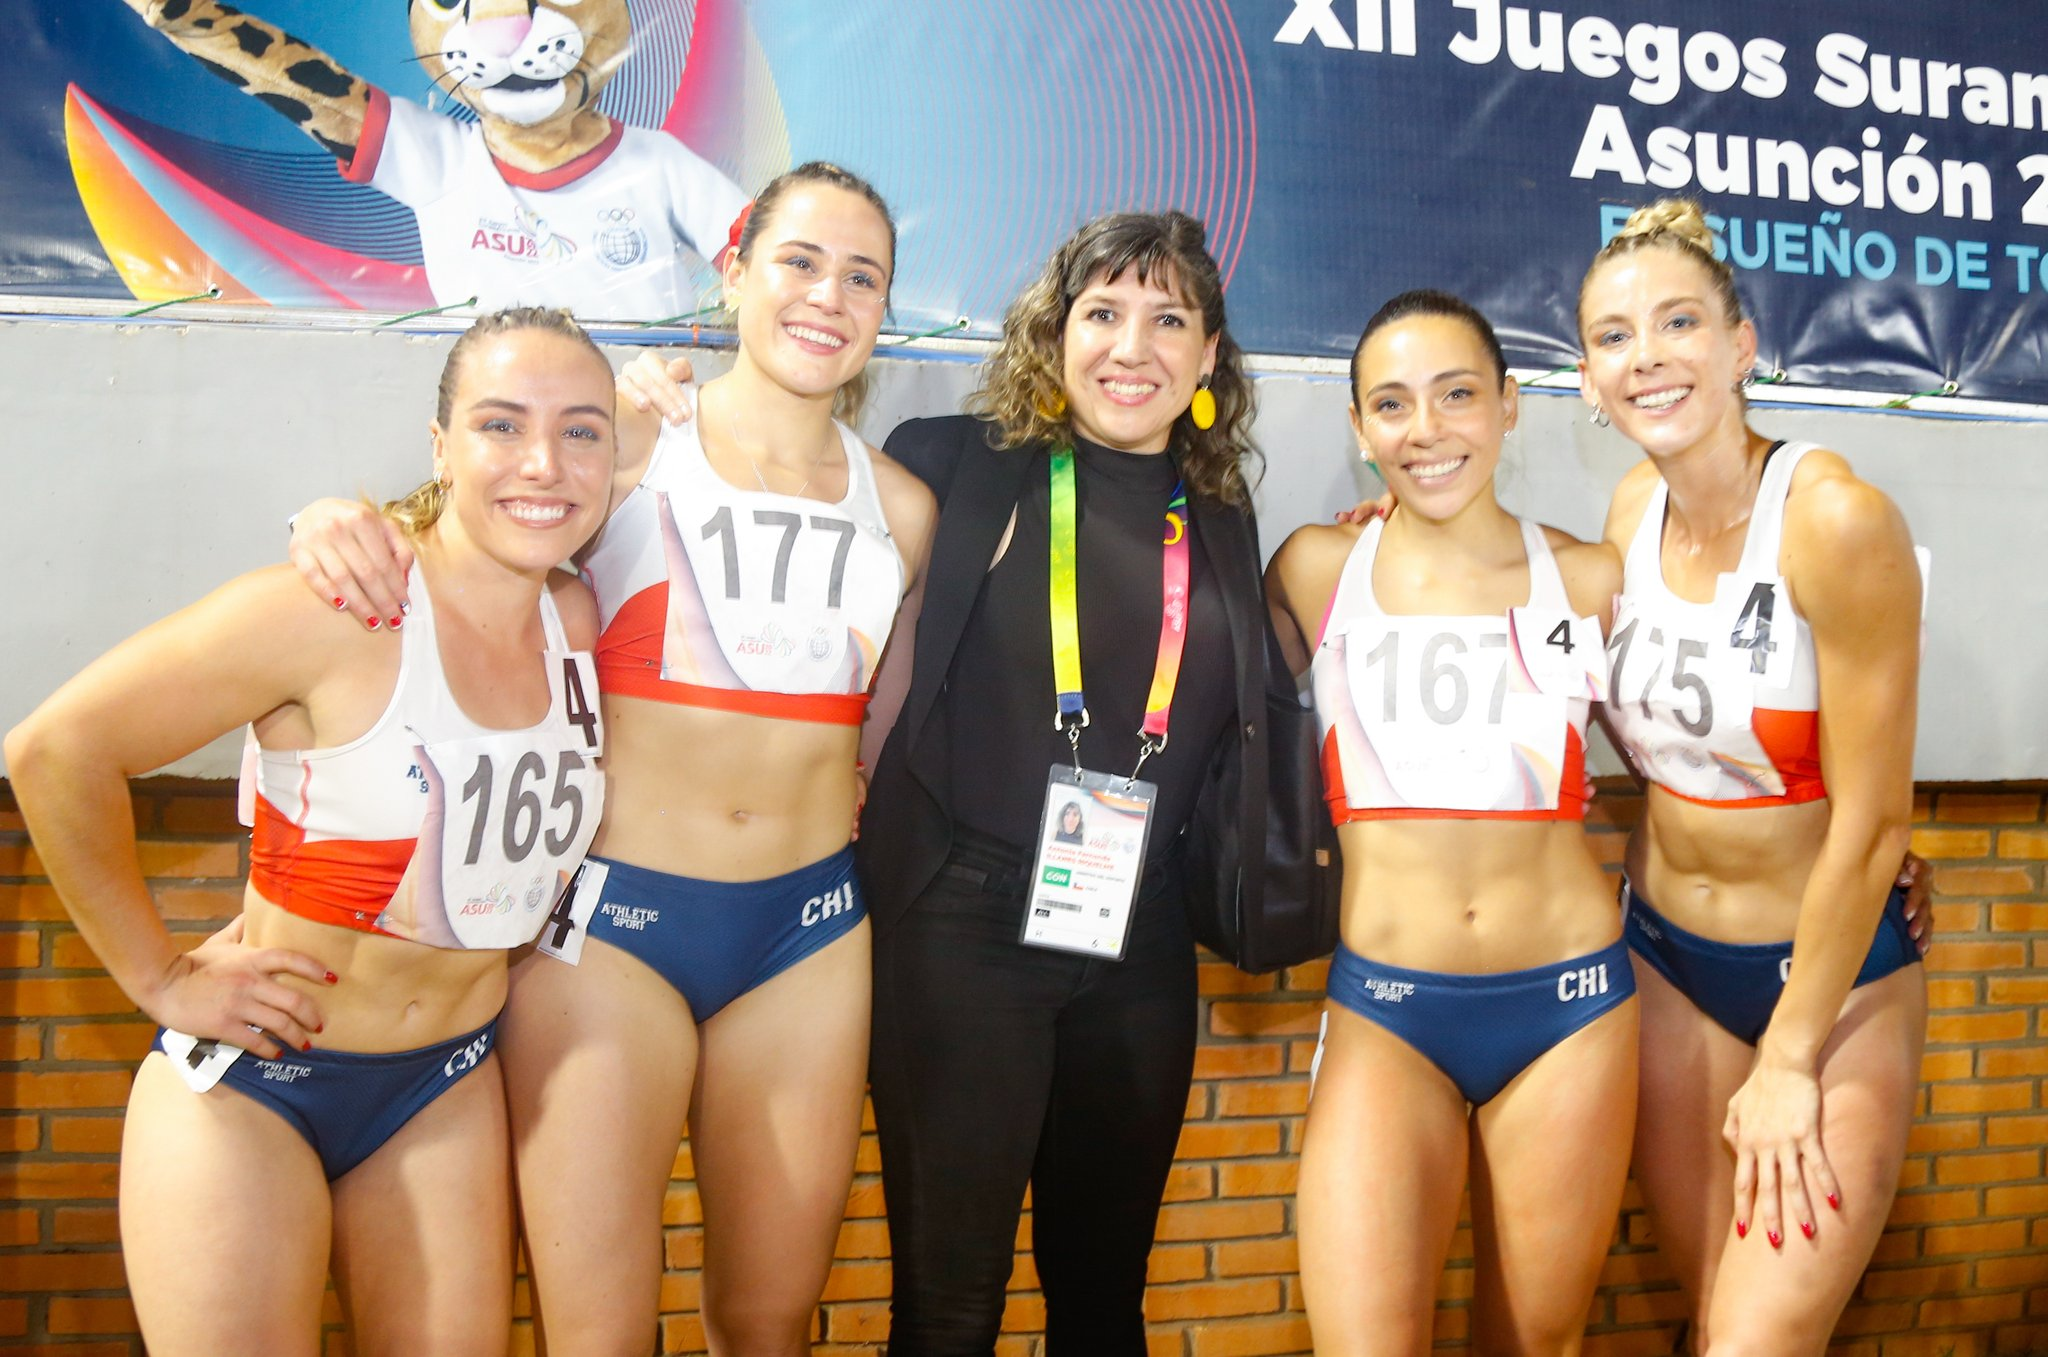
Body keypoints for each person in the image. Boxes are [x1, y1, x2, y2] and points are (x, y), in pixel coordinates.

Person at [285, 163, 938, 1354]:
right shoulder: (631, 442)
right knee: (596, 1330)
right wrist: (334, 516)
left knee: (769, 1317)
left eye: (862, 277)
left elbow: (877, 730)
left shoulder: (901, 506)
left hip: (809, 935)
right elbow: (454, 534)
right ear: (731, 270)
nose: (825, 296)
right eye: (796, 261)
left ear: (885, 309)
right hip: (614, 932)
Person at [4, 306, 616, 1356]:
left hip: (443, 1084)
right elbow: (54, 751)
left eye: (581, 430)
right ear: (440, 445)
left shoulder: (576, 620)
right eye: (500, 425)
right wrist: (156, 975)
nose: (542, 462)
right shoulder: (336, 611)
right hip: (253, 1088)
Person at [850, 210, 1283, 1354]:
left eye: (1166, 319)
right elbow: (785, 513)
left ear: (1204, 360)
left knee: (1102, 1303)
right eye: (1102, 313)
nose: (1129, 346)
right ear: (1055, 334)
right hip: (960, 927)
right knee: (949, 1309)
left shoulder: (1224, 523)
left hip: (1136, 938)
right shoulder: (953, 461)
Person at [1580, 199, 1925, 1353]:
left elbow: (1875, 826)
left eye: (1678, 322)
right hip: (1667, 965)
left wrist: (1787, 1055)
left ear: (1739, 345)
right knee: (1711, 1314)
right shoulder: (1629, 510)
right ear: (1586, 376)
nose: (1648, 357)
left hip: (1824, 999)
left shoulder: (1832, 520)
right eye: (1614, 335)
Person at [1266, 291, 1634, 1355]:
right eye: (1390, 403)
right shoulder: (1315, 569)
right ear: (1358, 428)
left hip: (1567, 1007)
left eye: (1456, 395)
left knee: (1531, 1342)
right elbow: (1217, 724)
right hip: (1388, 1006)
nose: (1424, 429)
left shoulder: (1588, 580)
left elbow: (1695, 756)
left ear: (1509, 407)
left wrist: (1886, 844)